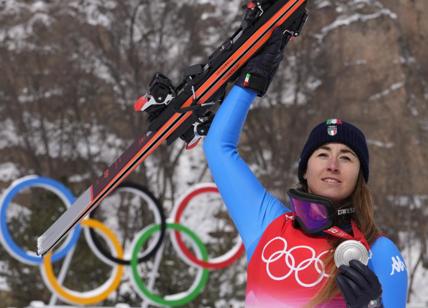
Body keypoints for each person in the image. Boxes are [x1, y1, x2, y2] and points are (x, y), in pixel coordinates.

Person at [203, 27, 408, 307]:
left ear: (360, 176)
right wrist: (252, 79)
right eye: (322, 154)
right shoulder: (266, 223)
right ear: (305, 169)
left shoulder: (379, 252)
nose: (333, 165)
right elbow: (218, 147)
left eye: (346, 157)